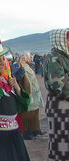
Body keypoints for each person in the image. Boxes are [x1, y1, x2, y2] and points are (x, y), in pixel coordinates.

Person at [43, 29, 69, 161]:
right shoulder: (54, 58)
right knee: (61, 142)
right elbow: (60, 86)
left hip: (65, 106)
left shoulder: (65, 57)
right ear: (61, 40)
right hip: (61, 108)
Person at [19, 52, 44, 140]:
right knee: (28, 114)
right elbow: (25, 83)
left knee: (34, 112)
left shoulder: (27, 67)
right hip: (30, 93)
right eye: (29, 57)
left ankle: (35, 130)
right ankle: (27, 133)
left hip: (34, 93)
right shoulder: (23, 68)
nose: (31, 59)